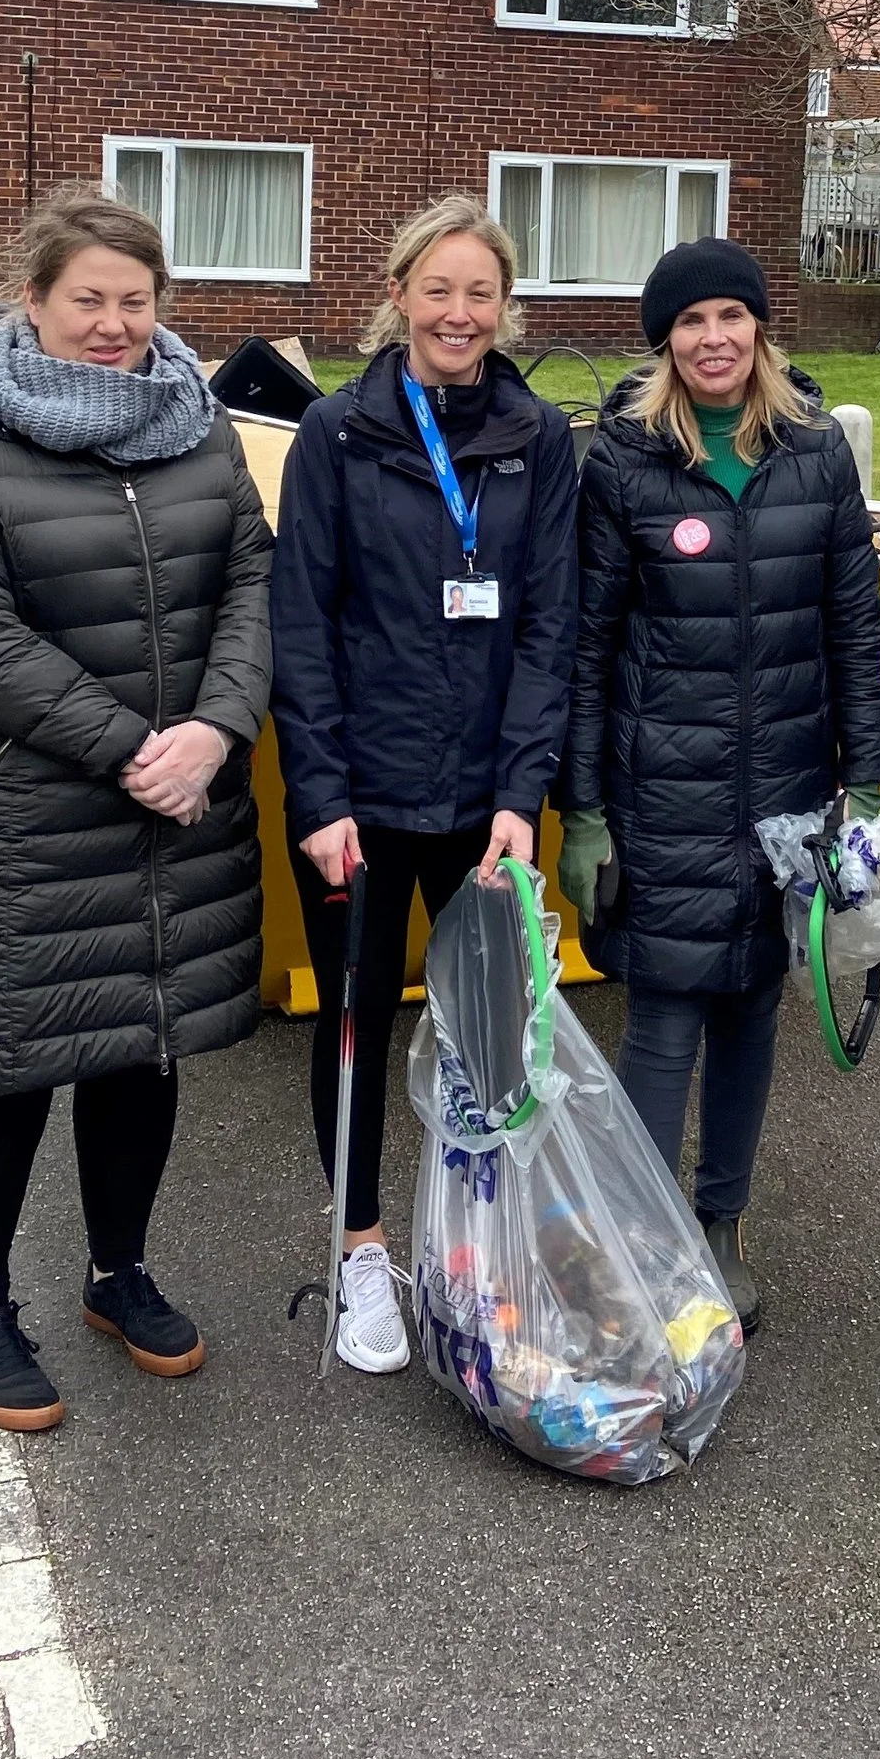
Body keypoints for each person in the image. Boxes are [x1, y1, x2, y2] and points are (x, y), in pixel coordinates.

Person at [0, 183, 274, 1435]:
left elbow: (253, 586)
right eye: (86, 301)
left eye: (135, 301)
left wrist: (216, 728)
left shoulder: (199, 429)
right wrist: (134, 749)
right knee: (6, 1067)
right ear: (33, 303)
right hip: (17, 826)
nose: (112, 325)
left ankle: (119, 1272)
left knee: (138, 1044)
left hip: (174, 807)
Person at [559, 238, 880, 1335]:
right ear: (664, 341)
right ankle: (646, 1245)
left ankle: (719, 1227)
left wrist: (868, 786)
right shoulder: (620, 461)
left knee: (752, 1007)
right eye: (689, 323)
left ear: (760, 330)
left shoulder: (815, 454)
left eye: (730, 319)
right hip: (663, 787)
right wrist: (588, 809)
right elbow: (586, 643)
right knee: (663, 1018)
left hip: (788, 789)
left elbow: (853, 625)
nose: (713, 340)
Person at [270, 193, 580, 1375]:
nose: (459, 313)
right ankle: (359, 1254)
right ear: (397, 295)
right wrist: (323, 798)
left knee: (494, 1036)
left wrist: (522, 791)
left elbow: (548, 626)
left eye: (481, 294)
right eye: (437, 290)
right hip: (361, 796)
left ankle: (477, 1244)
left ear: (506, 310)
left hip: (484, 802)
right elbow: (301, 627)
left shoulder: (537, 438)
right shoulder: (338, 438)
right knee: (355, 1024)